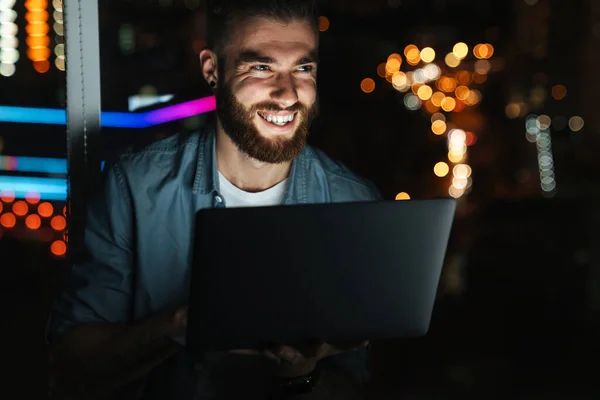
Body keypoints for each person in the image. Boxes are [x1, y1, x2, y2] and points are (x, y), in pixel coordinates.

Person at [47, 0, 381, 398]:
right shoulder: (133, 188)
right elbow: (69, 365)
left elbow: (356, 384)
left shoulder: (353, 202)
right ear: (212, 70)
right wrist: (180, 325)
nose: (288, 93)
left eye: (303, 68)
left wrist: (301, 374)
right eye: (261, 66)